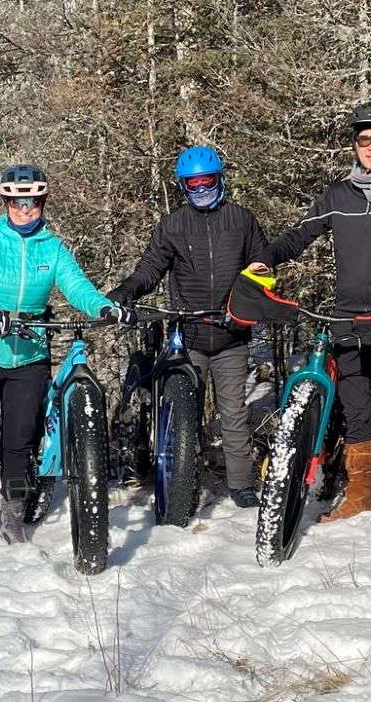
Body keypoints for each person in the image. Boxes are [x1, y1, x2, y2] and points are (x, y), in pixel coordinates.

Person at [250, 98, 371, 525]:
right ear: (354, 144)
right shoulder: (336, 196)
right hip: (347, 317)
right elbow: (300, 235)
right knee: (355, 407)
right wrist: (267, 258)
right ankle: (360, 495)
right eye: (365, 139)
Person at [0, 164, 132, 562]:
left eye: (32, 203)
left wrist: (105, 307)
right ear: (6, 203)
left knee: (20, 442)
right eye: (17, 203)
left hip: (29, 358)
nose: (24, 210)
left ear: (42, 203)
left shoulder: (52, 247)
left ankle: (12, 519)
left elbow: (77, 286)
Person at [105, 146, 269, 508]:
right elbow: (151, 268)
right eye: (193, 184)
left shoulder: (241, 220)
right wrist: (127, 290)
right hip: (188, 335)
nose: (201, 189)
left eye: (207, 181)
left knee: (234, 413)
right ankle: (184, 482)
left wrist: (250, 305)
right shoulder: (173, 225)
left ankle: (241, 483)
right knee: (183, 415)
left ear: (219, 180)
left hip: (230, 335)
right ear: (183, 186)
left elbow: (261, 268)